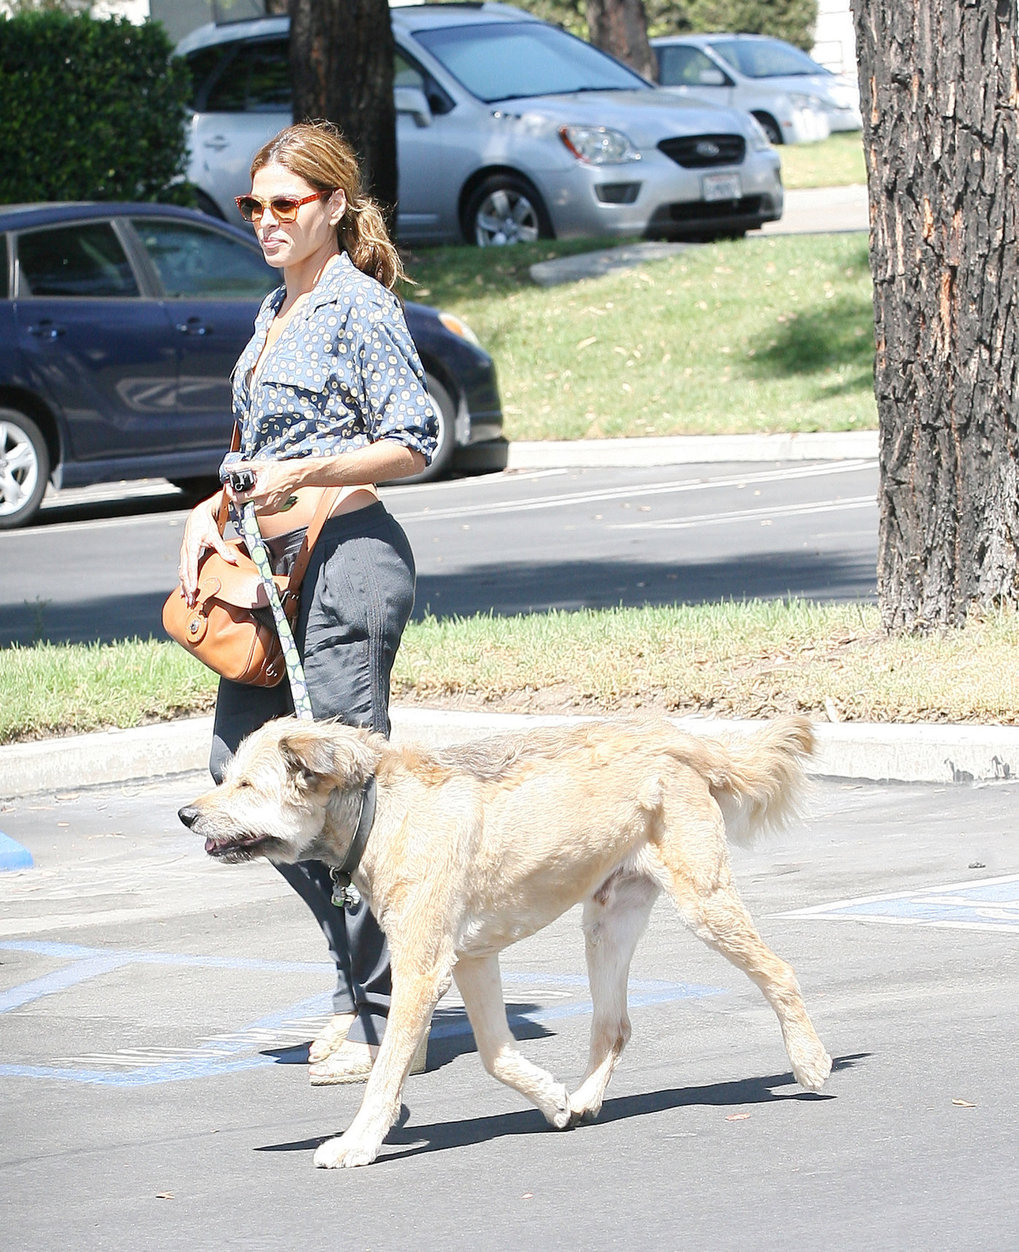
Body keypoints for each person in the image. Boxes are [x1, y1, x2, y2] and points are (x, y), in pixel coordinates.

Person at [176, 120, 437, 1085]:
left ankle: (378, 1012)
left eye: (286, 203)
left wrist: (304, 473)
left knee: (337, 791)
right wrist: (209, 510)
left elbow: (415, 439)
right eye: (254, 204)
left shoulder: (357, 305)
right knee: (235, 771)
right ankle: (367, 984)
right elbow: (255, 449)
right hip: (270, 572)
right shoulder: (273, 307)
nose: (267, 220)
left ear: (331, 205)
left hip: (346, 563)